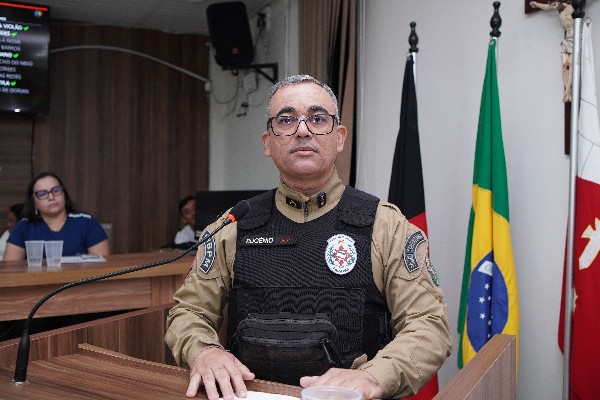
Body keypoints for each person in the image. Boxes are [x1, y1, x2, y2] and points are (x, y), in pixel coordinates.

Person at [165, 75, 452, 400]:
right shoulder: (234, 226)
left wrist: (373, 377)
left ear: (339, 138)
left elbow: (428, 324)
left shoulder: (384, 226)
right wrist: (204, 352)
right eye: (286, 120)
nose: (302, 130)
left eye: (318, 118)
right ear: (267, 142)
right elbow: (189, 312)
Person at [3, 172, 109, 260]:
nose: (51, 197)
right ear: (34, 202)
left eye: (56, 190)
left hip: (82, 279)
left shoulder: (86, 222)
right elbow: (11, 269)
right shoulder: (24, 226)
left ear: (64, 194)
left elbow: (101, 267)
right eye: (42, 194)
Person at [530, 1, 574, 102]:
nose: (554, 6)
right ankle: (567, 91)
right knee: (564, 65)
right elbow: (548, 7)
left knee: (571, 65)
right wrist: (537, 5)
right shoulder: (559, 9)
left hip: (575, 38)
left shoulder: (572, 5)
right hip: (566, 40)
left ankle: (568, 91)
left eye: (554, 4)